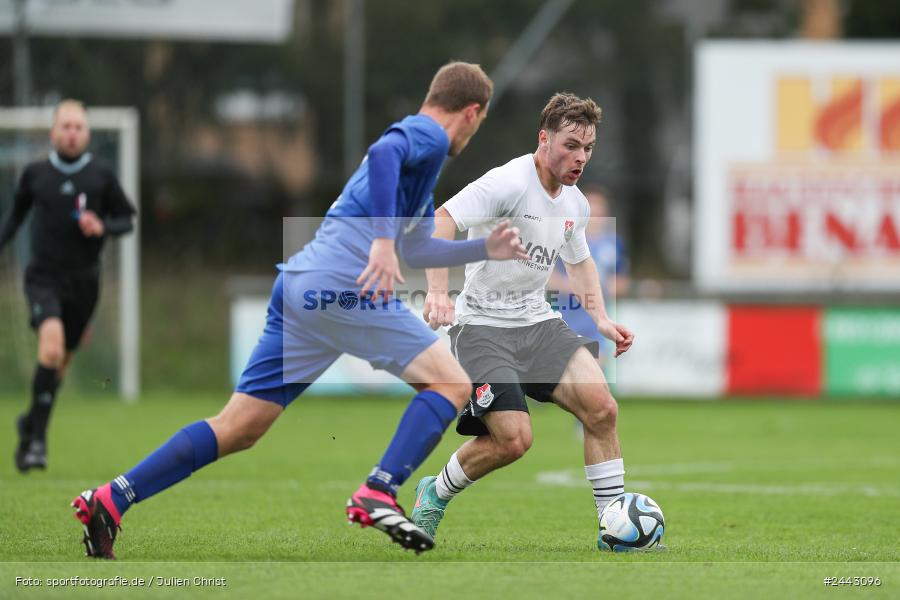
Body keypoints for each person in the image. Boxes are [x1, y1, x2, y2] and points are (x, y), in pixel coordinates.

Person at [69, 62, 528, 559]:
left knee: (239, 426)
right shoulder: (428, 136)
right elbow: (383, 151)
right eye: (479, 123)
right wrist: (378, 241)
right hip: (343, 286)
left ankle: (111, 499)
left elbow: (416, 251)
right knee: (451, 384)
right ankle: (379, 488)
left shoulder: (420, 174)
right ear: (472, 112)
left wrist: (483, 249)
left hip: (301, 288)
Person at [412, 93, 635, 548]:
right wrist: (437, 291)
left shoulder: (575, 204)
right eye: (571, 145)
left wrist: (602, 317)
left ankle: (614, 530)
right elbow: (441, 220)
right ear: (544, 138)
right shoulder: (507, 183)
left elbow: (581, 261)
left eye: (588, 148)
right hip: (482, 328)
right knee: (513, 441)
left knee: (602, 409)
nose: (580, 157)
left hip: (537, 322)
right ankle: (434, 492)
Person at [0, 99, 136, 473]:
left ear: (88, 133)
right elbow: (13, 220)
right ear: (53, 132)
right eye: (66, 126)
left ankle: (30, 422)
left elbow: (127, 220)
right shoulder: (35, 175)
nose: (72, 133)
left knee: (59, 363)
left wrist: (103, 226)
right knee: (52, 346)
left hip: (85, 284)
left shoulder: (101, 178)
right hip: (43, 278)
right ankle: (36, 445)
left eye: (79, 127)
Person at [550, 185, 630, 371]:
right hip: (565, 318)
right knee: (563, 377)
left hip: (594, 323)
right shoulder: (565, 239)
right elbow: (547, 278)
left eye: (600, 211)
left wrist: (606, 287)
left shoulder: (614, 244)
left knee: (593, 374)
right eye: (592, 211)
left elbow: (621, 282)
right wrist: (575, 286)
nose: (596, 217)